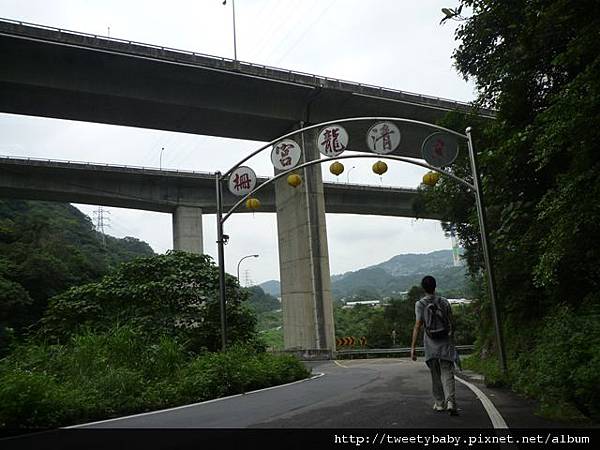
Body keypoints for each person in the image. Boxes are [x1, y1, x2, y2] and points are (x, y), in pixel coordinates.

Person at [410, 275, 458, 415]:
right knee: (447, 371)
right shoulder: (444, 302)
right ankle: (451, 401)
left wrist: (413, 347)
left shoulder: (420, 304)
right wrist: (451, 338)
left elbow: (418, 326)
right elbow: (452, 323)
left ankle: (439, 403)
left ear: (423, 288)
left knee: (435, 374)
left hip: (430, 344)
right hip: (445, 341)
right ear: (435, 286)